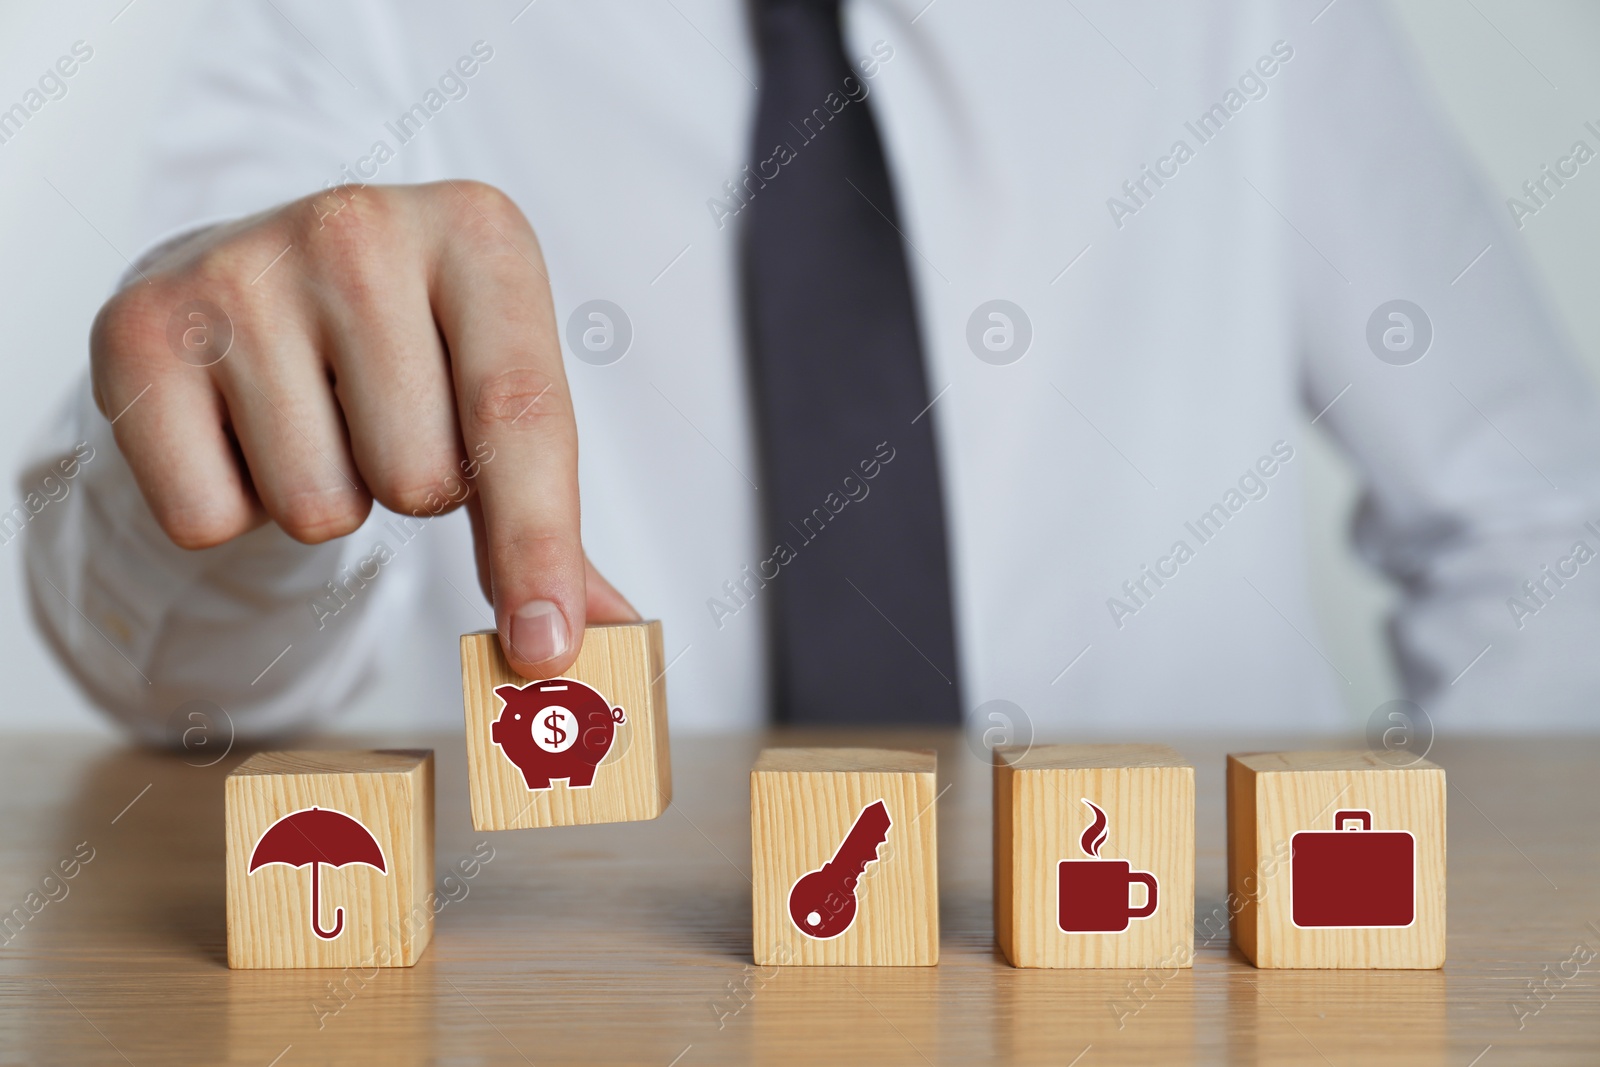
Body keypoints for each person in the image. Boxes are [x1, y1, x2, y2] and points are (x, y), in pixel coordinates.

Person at [22, 0, 1600, 741]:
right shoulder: (355, 22)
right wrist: (206, 456)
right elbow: (175, 675)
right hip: (590, 1012)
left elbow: (1539, 529)